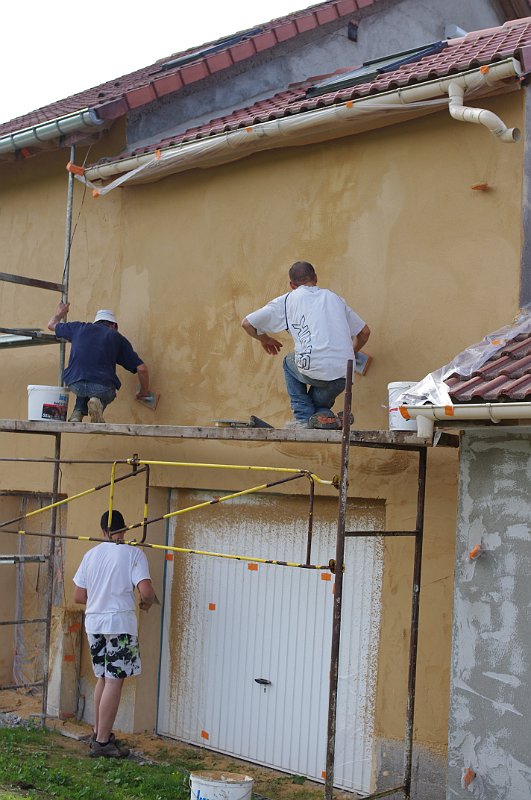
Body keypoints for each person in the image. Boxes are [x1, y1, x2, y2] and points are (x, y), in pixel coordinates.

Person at [242, 261, 370, 429]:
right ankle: (324, 417)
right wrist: (351, 354)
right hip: (343, 376)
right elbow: (365, 332)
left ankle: (302, 418)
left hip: (313, 369)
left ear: (292, 285)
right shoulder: (336, 299)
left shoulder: (287, 300)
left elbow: (247, 323)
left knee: (288, 362)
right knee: (318, 407)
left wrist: (265, 339)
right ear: (316, 278)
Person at [73, 510, 155, 759]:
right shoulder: (133, 554)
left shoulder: (91, 555)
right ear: (124, 530)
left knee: (102, 677)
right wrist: (146, 603)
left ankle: (100, 732)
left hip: (94, 623)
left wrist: (100, 597)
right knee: (114, 680)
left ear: (103, 531)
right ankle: (101, 743)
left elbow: (78, 596)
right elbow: (147, 591)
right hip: (119, 623)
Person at [47, 302, 150, 423]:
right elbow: (142, 369)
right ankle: (98, 405)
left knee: (85, 381)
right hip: (101, 388)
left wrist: (60, 313)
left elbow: (51, 325)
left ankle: (77, 413)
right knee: (99, 391)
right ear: (114, 326)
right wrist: (144, 391)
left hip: (74, 383)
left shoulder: (78, 328)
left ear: (95, 322)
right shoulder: (116, 337)